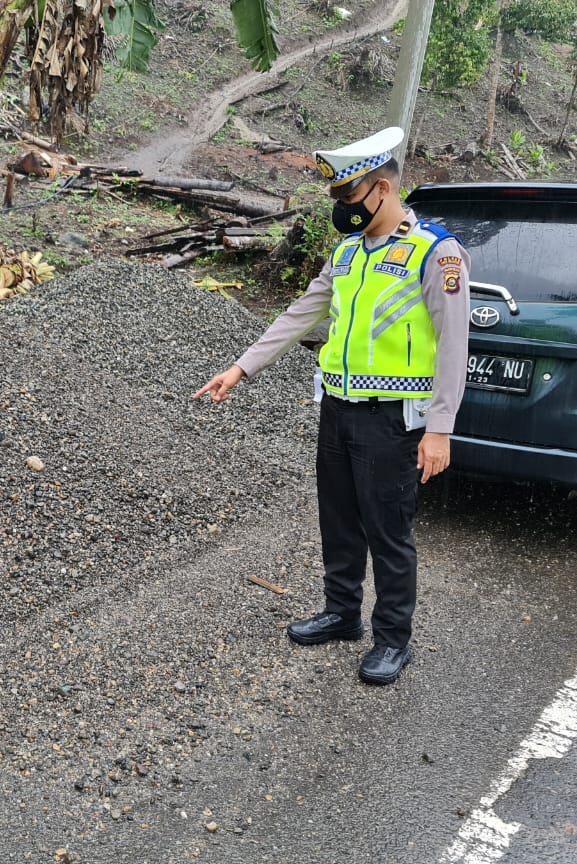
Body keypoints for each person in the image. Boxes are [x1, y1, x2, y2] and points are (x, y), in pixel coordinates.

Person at [194, 127, 469, 685]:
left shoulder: (435, 253)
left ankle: (393, 638)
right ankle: (342, 613)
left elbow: (454, 345)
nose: (341, 208)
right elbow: (300, 315)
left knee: (388, 530)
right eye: (337, 198)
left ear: (384, 189)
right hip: (337, 409)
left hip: (393, 419)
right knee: (339, 519)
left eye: (349, 196)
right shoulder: (347, 253)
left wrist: (440, 429)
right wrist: (241, 367)